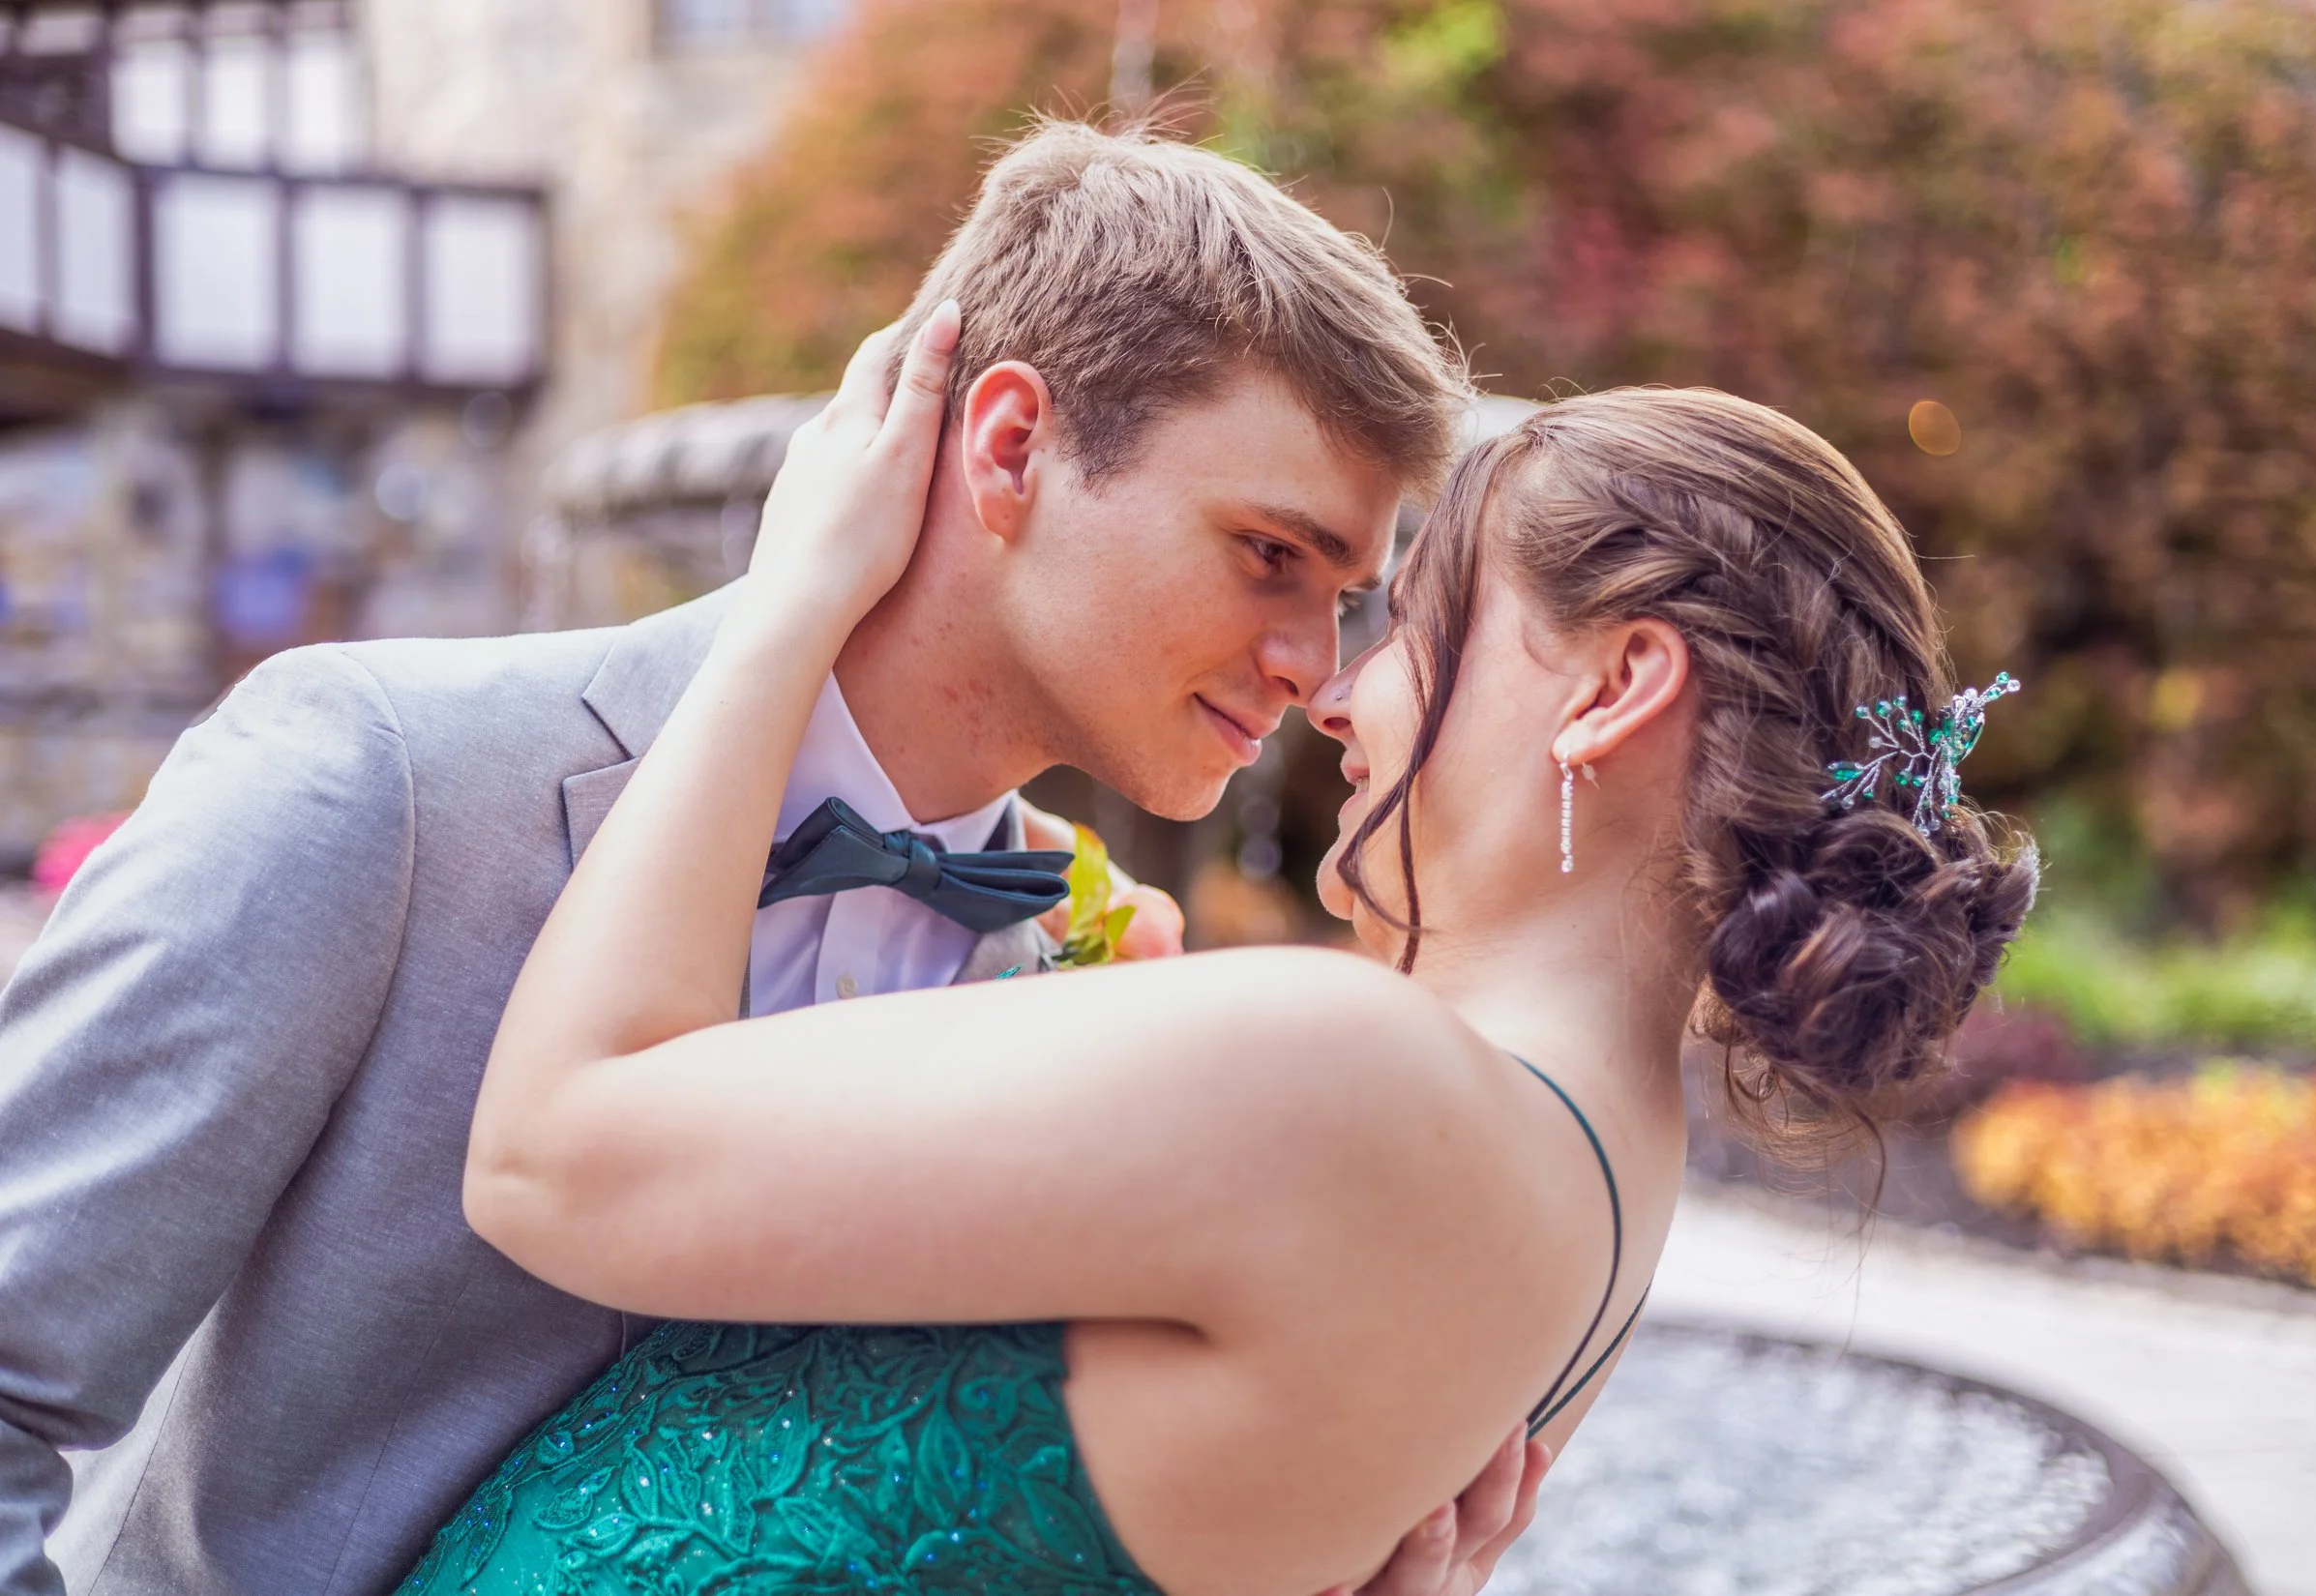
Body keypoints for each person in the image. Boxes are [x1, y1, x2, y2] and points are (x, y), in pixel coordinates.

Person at [0, 123, 1519, 1596]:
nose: (1313, 665)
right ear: (1011, 449)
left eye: (1347, 596)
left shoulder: (1090, 966)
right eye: (1270, 553)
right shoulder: (373, 779)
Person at [392, 309, 2040, 1593]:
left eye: (1416, 623)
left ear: (1611, 689)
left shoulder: (1356, 1080)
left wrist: (791, 598)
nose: (1341, 694)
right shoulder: (1608, 1203)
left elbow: (552, 1153)